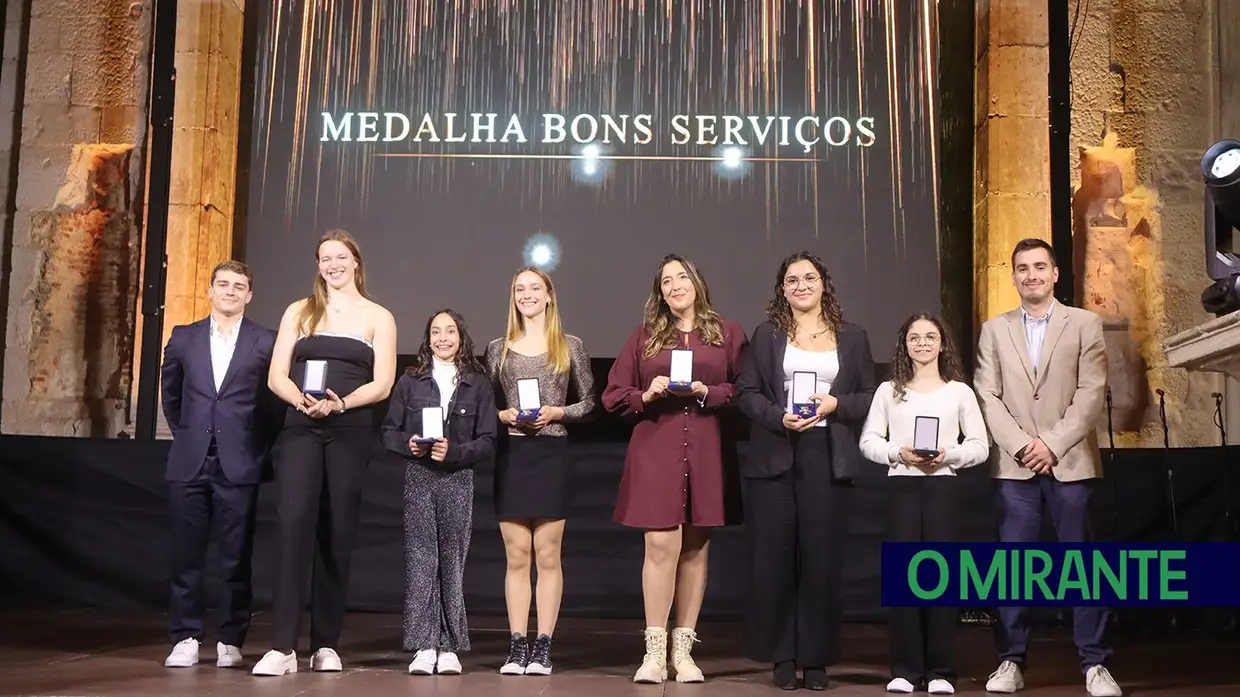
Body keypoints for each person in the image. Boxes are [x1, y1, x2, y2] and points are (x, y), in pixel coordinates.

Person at [974, 238, 1120, 697]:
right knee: (1014, 568)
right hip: (1015, 468)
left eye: (1040, 266)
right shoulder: (994, 330)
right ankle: (1010, 662)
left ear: (1055, 274)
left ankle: (1095, 664)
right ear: (1013, 275)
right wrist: (1022, 446)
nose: (1031, 274)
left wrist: (1051, 445)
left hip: (1071, 462)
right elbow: (986, 395)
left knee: (1082, 565)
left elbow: (1091, 392)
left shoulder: (1085, 323)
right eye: (1022, 268)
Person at [251, 229, 397, 677]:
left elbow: (383, 382)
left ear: (356, 261)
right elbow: (277, 375)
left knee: (337, 532)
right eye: (324, 258)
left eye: (340, 257)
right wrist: (302, 401)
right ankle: (281, 647)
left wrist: (340, 403)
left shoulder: (378, 316)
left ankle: (326, 644)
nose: (332, 264)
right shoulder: (300, 311)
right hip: (300, 428)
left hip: (349, 429)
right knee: (293, 527)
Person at [602, 253, 749, 685]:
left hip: (706, 449)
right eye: (666, 281)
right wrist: (646, 395)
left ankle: (683, 652)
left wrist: (710, 391)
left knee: (696, 550)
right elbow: (614, 395)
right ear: (659, 293)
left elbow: (746, 390)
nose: (674, 285)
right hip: (656, 450)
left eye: (681, 277)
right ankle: (653, 652)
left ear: (697, 283)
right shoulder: (645, 336)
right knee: (660, 547)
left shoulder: (727, 333)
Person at [734, 250, 874, 690]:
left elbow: (871, 394)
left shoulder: (853, 337)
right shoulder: (767, 334)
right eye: (791, 280)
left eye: (809, 278)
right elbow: (747, 391)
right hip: (776, 455)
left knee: (821, 561)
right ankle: (782, 656)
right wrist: (778, 417)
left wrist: (836, 404)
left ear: (823, 284)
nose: (801, 286)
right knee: (774, 562)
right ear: (782, 289)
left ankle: (816, 660)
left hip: (827, 456)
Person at [858, 312, 989, 695]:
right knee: (903, 582)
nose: (922, 344)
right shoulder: (888, 391)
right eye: (914, 338)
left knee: (940, 580)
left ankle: (941, 672)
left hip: (943, 490)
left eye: (930, 337)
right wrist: (900, 453)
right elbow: (868, 442)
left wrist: (947, 455)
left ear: (942, 343)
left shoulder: (959, 392)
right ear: (905, 345)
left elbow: (981, 447)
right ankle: (905, 669)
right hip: (901, 487)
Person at [160, 261, 279, 669]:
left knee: (235, 556)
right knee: (185, 555)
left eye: (239, 286)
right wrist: (192, 435)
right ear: (210, 290)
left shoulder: (266, 342)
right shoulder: (183, 338)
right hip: (190, 461)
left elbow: (273, 407)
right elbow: (172, 398)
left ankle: (230, 637)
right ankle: (186, 636)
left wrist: (251, 447)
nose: (230, 291)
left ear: (249, 295)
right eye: (223, 284)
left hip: (240, 462)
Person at [484, 266, 596, 676]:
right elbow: (487, 408)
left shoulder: (571, 345)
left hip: (551, 453)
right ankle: (517, 645)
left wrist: (556, 411)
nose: (527, 295)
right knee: (516, 555)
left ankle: (543, 645)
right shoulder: (498, 348)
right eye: (519, 289)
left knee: (547, 554)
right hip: (513, 454)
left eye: (535, 288)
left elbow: (589, 403)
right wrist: (504, 414)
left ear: (549, 295)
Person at [381, 309, 497, 676]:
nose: (442, 338)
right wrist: (409, 444)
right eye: (435, 331)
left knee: (452, 560)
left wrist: (457, 452)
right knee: (420, 561)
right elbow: (388, 431)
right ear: (427, 338)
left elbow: (490, 440)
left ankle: (449, 646)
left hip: (457, 477)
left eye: (450, 331)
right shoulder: (410, 380)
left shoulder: (477, 383)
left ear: (461, 337)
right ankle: (423, 645)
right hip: (419, 475)